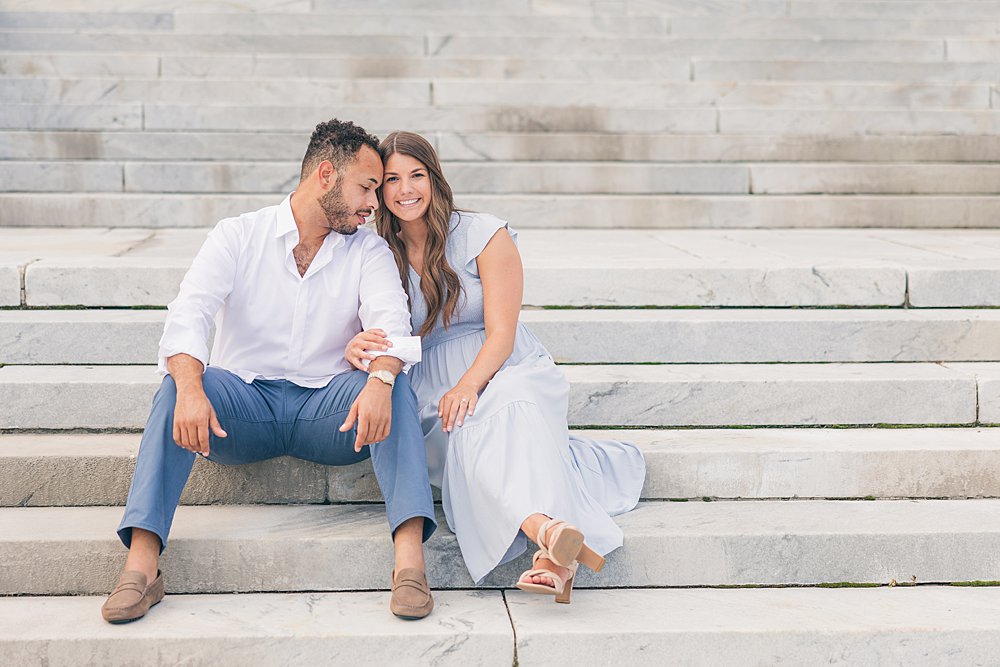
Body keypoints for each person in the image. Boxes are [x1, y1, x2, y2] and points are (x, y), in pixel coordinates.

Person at [101, 119, 437, 624]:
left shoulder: (367, 248)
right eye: (367, 186)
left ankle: (410, 565)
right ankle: (142, 568)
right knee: (178, 384)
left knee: (396, 383)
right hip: (242, 408)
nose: (374, 203)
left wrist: (380, 378)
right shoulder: (238, 235)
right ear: (326, 174)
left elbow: (392, 325)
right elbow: (188, 316)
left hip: (331, 413)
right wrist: (192, 388)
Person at [345, 131, 646, 604]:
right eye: (392, 179)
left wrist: (468, 385)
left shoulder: (484, 234)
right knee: (470, 438)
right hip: (428, 382)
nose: (406, 189)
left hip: (503, 364)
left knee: (507, 410)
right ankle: (551, 535)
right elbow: (361, 322)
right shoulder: (376, 250)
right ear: (379, 190)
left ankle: (548, 545)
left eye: (417, 175)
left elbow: (502, 332)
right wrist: (354, 345)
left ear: (434, 178)